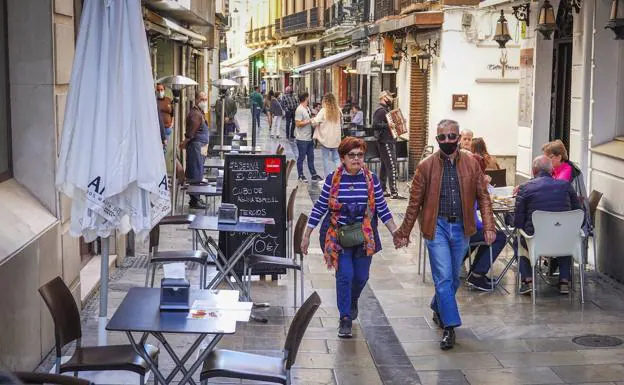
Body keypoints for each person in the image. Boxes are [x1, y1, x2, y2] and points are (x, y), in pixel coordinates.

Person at [393, 119, 495, 350]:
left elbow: (483, 197)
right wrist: (404, 232)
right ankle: (450, 327)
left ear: (459, 138)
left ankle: (437, 305)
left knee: (453, 277)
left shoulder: (472, 163)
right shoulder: (426, 166)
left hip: (462, 227)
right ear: (437, 139)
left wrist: (489, 226)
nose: (447, 141)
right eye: (442, 137)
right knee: (444, 277)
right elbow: (414, 203)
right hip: (436, 227)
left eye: (451, 136)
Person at [301, 137, 398, 338]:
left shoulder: (371, 180)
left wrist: (395, 232)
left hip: (364, 236)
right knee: (345, 275)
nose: (356, 159)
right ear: (343, 158)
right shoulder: (332, 179)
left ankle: (352, 301)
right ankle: (345, 317)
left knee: (361, 276)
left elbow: (382, 208)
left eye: (360, 155)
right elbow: (320, 207)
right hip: (338, 236)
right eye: (351, 155)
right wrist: (307, 234)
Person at [514, 155, 581, 296]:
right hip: (565, 242)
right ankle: (564, 280)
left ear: (533, 171)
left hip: (536, 241)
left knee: (518, 241)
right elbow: (578, 211)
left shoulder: (525, 188)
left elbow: (518, 221)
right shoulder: (566, 186)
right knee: (563, 231)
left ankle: (528, 280)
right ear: (552, 171)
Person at [465, 154, 507, 291]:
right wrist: (488, 228)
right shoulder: (472, 185)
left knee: (488, 234)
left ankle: (475, 273)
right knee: (498, 236)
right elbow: (474, 220)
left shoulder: (463, 180)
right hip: (464, 232)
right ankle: (477, 275)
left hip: (454, 230)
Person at [179, 91, 209, 210]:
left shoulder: (200, 112)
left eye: (206, 99)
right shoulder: (195, 114)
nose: (204, 101)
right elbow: (190, 134)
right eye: (202, 99)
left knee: (198, 171)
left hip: (200, 147)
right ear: (196, 99)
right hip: (196, 147)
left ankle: (196, 198)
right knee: (195, 173)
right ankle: (195, 200)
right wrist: (184, 143)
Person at [372, 90, 404, 199]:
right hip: (385, 141)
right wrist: (388, 125)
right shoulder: (381, 111)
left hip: (388, 140)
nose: (391, 99)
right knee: (392, 165)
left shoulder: (386, 110)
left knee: (386, 166)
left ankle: (383, 190)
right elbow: (375, 125)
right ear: (384, 97)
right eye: (390, 97)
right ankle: (394, 192)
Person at [311, 93, 342, 176]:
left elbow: (315, 122)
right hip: (336, 139)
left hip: (326, 139)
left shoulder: (323, 111)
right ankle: (338, 176)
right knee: (336, 158)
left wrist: (312, 120)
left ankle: (328, 178)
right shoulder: (338, 110)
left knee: (326, 158)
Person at [294, 92, 323, 183]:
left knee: (311, 157)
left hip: (309, 138)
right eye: (308, 97)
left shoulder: (307, 108)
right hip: (302, 138)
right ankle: (300, 175)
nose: (309, 99)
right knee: (301, 157)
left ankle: (313, 174)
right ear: (306, 98)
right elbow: (298, 123)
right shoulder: (299, 109)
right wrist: (309, 121)